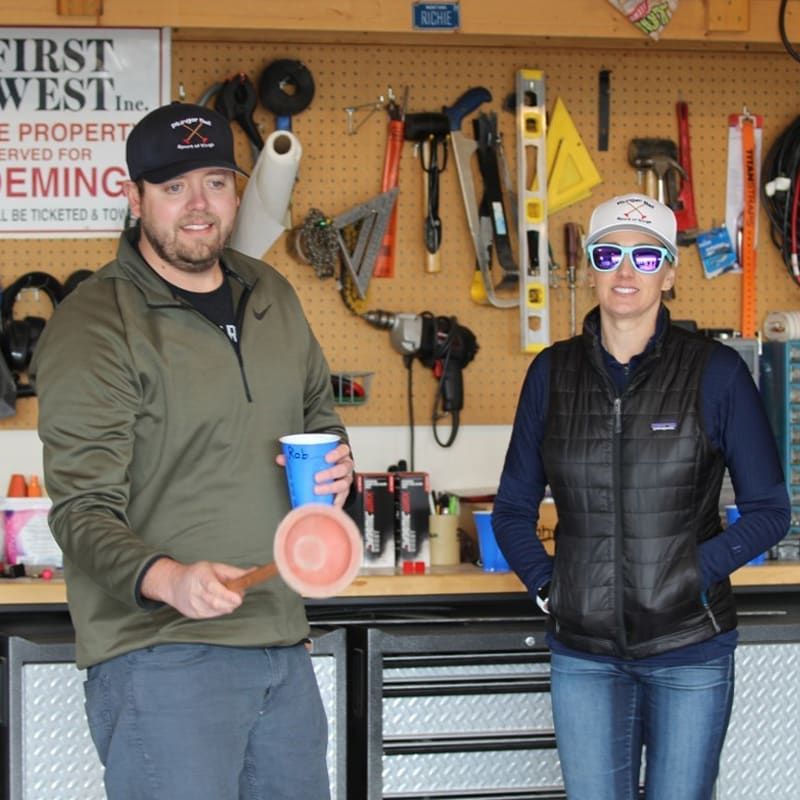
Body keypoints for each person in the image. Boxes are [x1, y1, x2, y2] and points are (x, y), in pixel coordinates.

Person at [30, 102, 354, 800]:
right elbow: (81, 512)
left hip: (280, 645)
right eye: (174, 186)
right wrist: (169, 578)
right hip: (161, 659)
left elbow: (320, 419)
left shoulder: (270, 292)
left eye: (214, 181)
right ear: (134, 196)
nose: (198, 205)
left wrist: (338, 463)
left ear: (237, 190)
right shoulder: (96, 323)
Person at [492, 193, 790, 800]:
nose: (626, 271)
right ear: (591, 268)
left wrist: (691, 574)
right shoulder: (552, 373)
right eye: (609, 254)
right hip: (585, 657)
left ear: (670, 272)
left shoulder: (716, 372)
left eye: (645, 256)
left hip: (690, 648)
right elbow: (512, 510)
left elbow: (769, 512)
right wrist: (551, 587)